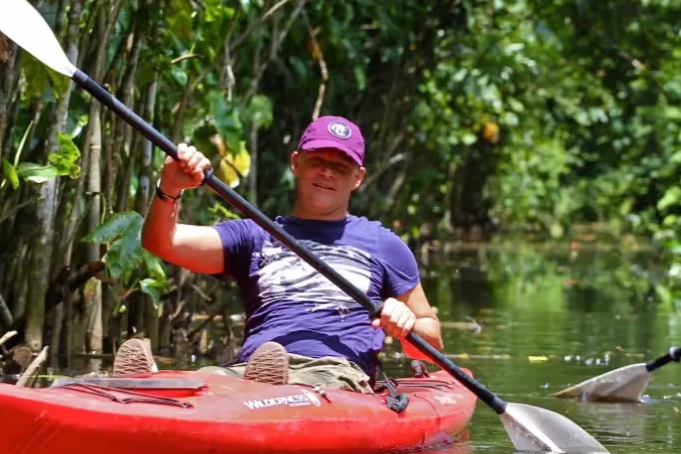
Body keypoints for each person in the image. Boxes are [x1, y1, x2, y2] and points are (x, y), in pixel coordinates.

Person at [126, 115, 443, 391]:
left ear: (357, 177)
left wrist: (408, 325)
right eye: (318, 160)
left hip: (334, 373)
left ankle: (267, 388)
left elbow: (432, 342)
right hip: (252, 368)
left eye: (340, 166)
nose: (327, 173)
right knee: (211, 379)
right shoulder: (255, 234)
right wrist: (169, 187)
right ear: (296, 162)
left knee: (288, 382)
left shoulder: (384, 244)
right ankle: (151, 387)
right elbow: (161, 242)